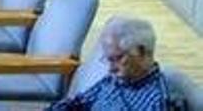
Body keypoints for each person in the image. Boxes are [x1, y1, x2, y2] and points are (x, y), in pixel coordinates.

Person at [48, 17, 187, 111]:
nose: (111, 68)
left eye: (118, 58)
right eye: (109, 59)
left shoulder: (156, 102)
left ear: (141, 52)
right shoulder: (117, 78)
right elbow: (79, 103)